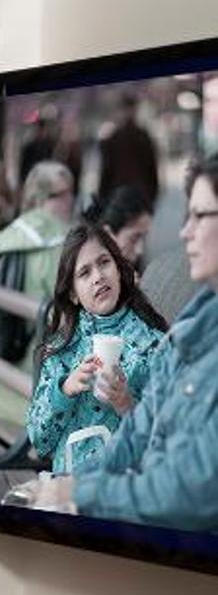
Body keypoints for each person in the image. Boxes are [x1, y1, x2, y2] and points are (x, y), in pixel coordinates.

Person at [39, 156, 218, 530]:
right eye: (84, 273)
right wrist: (68, 485)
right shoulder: (190, 327)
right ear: (71, 292)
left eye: (200, 216)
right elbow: (139, 431)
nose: (185, 232)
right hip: (124, 499)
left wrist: (81, 492)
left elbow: (191, 492)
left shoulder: (154, 339)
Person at [22, 223, 167, 469]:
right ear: (73, 294)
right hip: (66, 482)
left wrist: (126, 404)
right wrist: (64, 390)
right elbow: (39, 442)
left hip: (122, 482)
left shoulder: (154, 346)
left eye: (104, 262)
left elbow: (168, 437)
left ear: (119, 270)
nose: (98, 276)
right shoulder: (62, 350)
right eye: (84, 273)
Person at [0, 158, 78, 313]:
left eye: (71, 192)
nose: (70, 200)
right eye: (61, 194)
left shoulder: (3, 237)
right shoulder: (67, 241)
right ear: (39, 197)